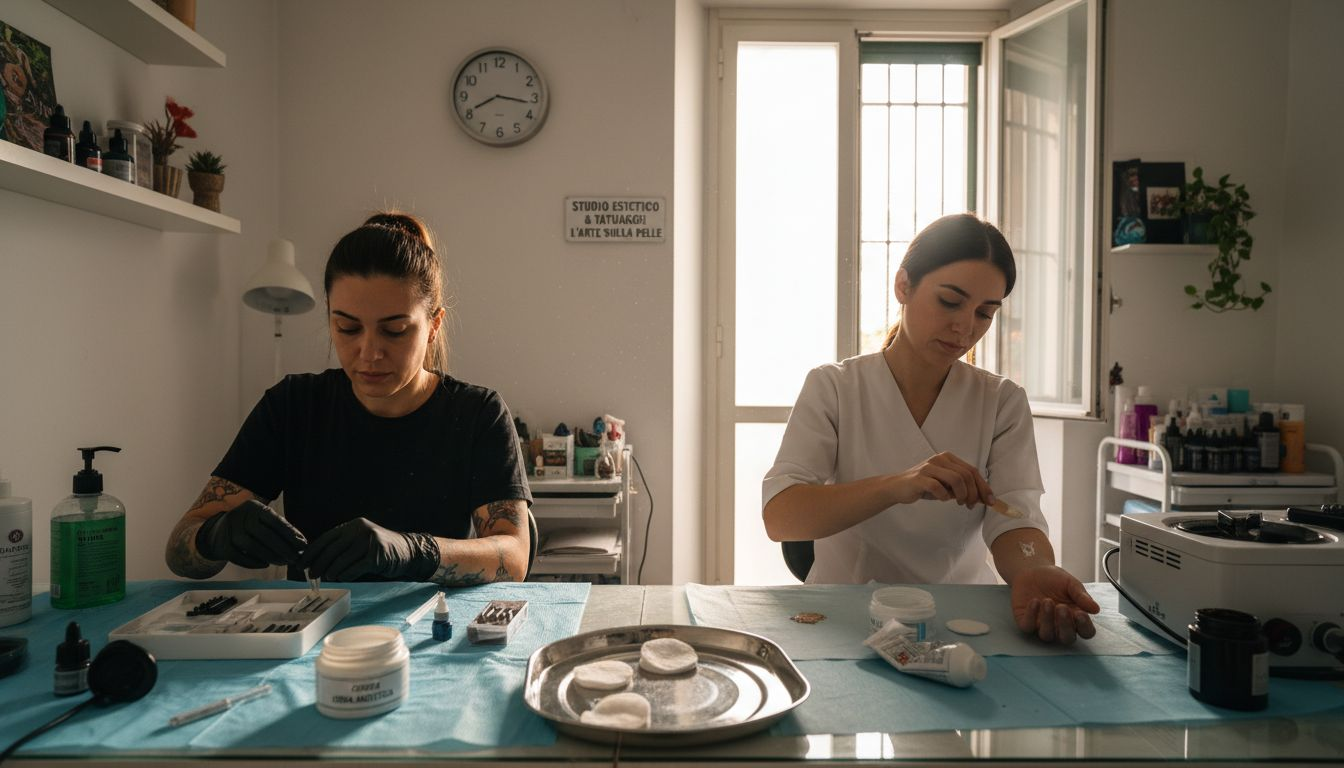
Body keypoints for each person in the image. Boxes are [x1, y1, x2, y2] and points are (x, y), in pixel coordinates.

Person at [762, 213, 1099, 645]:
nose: (965, 327)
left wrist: (1034, 570)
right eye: (950, 301)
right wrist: (897, 485)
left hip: (959, 616)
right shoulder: (835, 387)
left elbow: (1016, 518)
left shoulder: (1001, 401)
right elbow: (781, 517)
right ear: (903, 286)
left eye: (985, 313)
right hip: (846, 615)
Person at [165, 212, 532, 585]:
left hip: (431, 619)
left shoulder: (477, 414)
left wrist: (412, 551)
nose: (369, 353)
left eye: (395, 330)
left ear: (433, 325)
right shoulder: (292, 407)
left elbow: (514, 558)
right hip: (314, 618)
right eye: (347, 327)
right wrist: (216, 536)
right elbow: (179, 550)